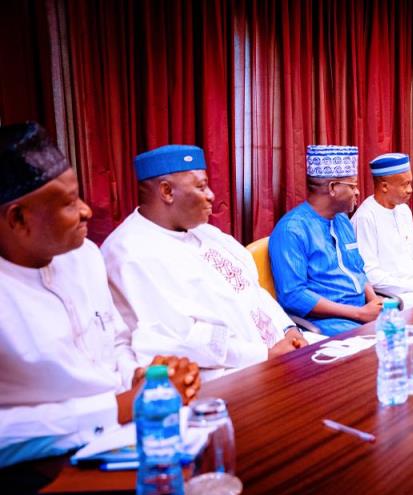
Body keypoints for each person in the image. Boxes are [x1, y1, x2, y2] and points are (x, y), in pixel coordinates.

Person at [0, 122, 199, 467]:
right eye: (68, 203)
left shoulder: (85, 256)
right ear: (18, 219)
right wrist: (120, 407)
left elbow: (115, 343)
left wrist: (140, 376)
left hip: (120, 436)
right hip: (35, 470)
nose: (86, 210)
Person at [102, 145, 307, 379]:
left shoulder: (208, 234)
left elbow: (254, 289)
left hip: (278, 354)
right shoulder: (130, 253)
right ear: (167, 191)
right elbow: (182, 338)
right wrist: (265, 355)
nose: (211, 195)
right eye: (201, 187)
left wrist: (289, 330)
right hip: (228, 375)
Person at [269, 145, 383, 335]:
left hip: (362, 315)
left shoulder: (342, 220)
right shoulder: (291, 230)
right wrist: (359, 313)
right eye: (352, 186)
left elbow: (357, 269)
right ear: (332, 188)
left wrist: (374, 301)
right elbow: (293, 295)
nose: (357, 192)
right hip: (328, 323)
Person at [351, 153, 413, 308]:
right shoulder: (365, 217)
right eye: (405, 184)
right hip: (398, 295)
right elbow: (370, 275)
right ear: (384, 186)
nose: (410, 190)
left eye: (410, 183)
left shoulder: (403, 210)